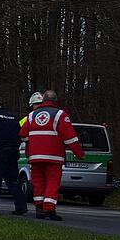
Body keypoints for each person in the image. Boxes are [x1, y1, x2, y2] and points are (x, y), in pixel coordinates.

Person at [19, 90, 85, 220]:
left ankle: (39, 208)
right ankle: (49, 209)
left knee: (38, 182)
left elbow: (22, 134)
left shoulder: (32, 115)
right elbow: (70, 137)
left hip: (35, 156)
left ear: (43, 101)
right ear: (55, 101)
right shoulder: (60, 115)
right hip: (53, 156)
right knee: (52, 182)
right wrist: (79, 153)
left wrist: (31, 143)